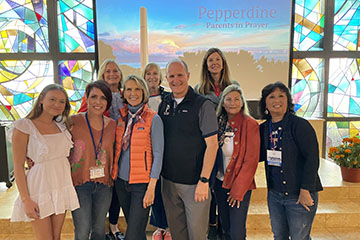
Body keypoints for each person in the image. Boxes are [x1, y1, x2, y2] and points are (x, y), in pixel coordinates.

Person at [158, 59, 218, 240]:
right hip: (169, 183)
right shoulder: (165, 103)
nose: (176, 80)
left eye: (179, 75)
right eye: (171, 76)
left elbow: (212, 145)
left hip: (195, 185)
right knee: (177, 234)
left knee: (197, 235)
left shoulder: (203, 105)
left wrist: (204, 180)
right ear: (167, 79)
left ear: (188, 76)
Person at [10, 84, 79, 240]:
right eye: (52, 99)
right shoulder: (24, 126)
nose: (57, 104)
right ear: (41, 99)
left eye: (62, 102)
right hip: (39, 187)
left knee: (56, 237)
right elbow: (19, 166)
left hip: (61, 185)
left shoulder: (62, 126)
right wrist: (25, 199)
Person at [259, 82, 323, 240]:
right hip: (275, 194)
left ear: (288, 100)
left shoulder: (300, 125)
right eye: (272, 96)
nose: (277, 100)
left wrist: (306, 189)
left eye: (281, 96)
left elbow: (312, 158)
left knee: (299, 237)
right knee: (279, 235)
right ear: (265, 103)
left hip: (299, 194)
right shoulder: (264, 128)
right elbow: (259, 155)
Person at [77, 59, 125, 240]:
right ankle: (102, 228)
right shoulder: (93, 97)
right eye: (108, 71)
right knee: (84, 226)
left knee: (113, 194)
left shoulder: (125, 95)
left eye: (115, 71)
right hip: (92, 157)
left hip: (117, 151)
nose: (112, 74)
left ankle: (112, 226)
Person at [112, 75, 164, 240]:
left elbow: (158, 154)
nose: (133, 93)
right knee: (138, 232)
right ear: (124, 93)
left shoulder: (153, 119)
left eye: (137, 89)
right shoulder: (122, 118)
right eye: (128, 89)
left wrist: (151, 187)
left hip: (141, 186)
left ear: (144, 92)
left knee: (132, 235)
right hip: (121, 183)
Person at [195, 47, 235, 239]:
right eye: (210, 60)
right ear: (206, 65)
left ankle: (224, 229)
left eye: (217, 59)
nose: (214, 63)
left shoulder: (232, 85)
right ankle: (211, 228)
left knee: (223, 186)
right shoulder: (199, 89)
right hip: (207, 145)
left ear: (223, 62)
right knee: (209, 186)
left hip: (228, 145)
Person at [70, 80, 117, 240]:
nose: (98, 102)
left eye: (103, 98)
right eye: (94, 97)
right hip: (80, 184)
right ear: (87, 98)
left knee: (98, 230)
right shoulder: (73, 121)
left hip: (104, 185)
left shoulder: (113, 125)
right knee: (82, 231)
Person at [213, 84, 260, 240]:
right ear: (223, 102)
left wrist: (238, 190)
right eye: (228, 99)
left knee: (237, 231)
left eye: (236, 99)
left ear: (242, 102)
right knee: (224, 226)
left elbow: (251, 161)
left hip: (239, 186)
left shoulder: (250, 124)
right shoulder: (217, 123)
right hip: (220, 183)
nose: (232, 103)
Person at [142, 63, 171, 240]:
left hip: (168, 149)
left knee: (166, 189)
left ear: (160, 77)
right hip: (147, 151)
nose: (151, 77)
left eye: (155, 73)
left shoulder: (168, 96)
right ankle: (160, 226)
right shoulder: (139, 96)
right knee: (154, 188)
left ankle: (169, 226)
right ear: (144, 77)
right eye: (148, 74)